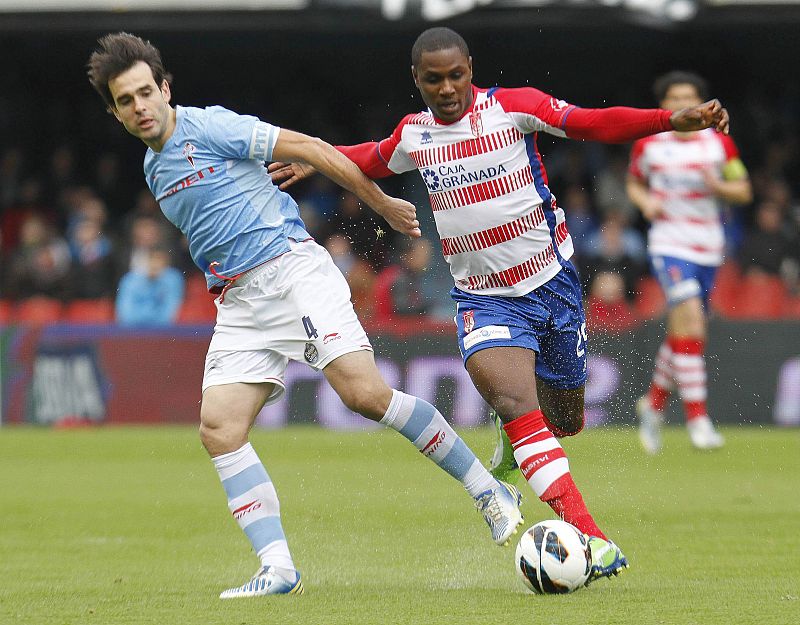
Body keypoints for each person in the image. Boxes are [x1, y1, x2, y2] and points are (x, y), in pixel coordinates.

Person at [270, 27, 731, 584]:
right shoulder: (415, 135)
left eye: (455, 75)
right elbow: (370, 157)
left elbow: (591, 122)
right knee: (516, 401)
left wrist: (669, 120)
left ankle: (510, 443)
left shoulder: (514, 108)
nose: (446, 88)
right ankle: (594, 537)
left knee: (566, 420)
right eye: (433, 79)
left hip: (553, 285)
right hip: (483, 299)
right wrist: (317, 159)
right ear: (416, 80)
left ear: (470, 68)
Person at [87, 31, 522, 599]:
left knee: (364, 395)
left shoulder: (210, 127)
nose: (140, 106)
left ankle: (489, 489)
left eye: (146, 92)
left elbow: (312, 149)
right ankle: (277, 569)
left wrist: (382, 204)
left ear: (165, 89)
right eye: (126, 100)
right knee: (219, 429)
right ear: (115, 112)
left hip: (291, 273)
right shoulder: (154, 168)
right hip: (240, 302)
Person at [626, 71, 752, 454]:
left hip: (708, 248)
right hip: (669, 244)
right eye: (674, 98)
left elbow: (743, 189)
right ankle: (698, 419)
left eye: (688, 97)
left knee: (686, 333)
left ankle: (653, 405)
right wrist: (645, 202)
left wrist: (719, 187)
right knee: (692, 322)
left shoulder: (718, 144)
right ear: (663, 105)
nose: (682, 104)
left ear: (701, 103)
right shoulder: (649, 144)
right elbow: (634, 183)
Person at [115, 246, 184, 327]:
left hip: (163, 330)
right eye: (152, 259)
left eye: (159, 260)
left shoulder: (173, 279)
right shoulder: (129, 280)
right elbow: (125, 314)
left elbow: (171, 313)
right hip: (134, 329)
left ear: (166, 262)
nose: (155, 264)